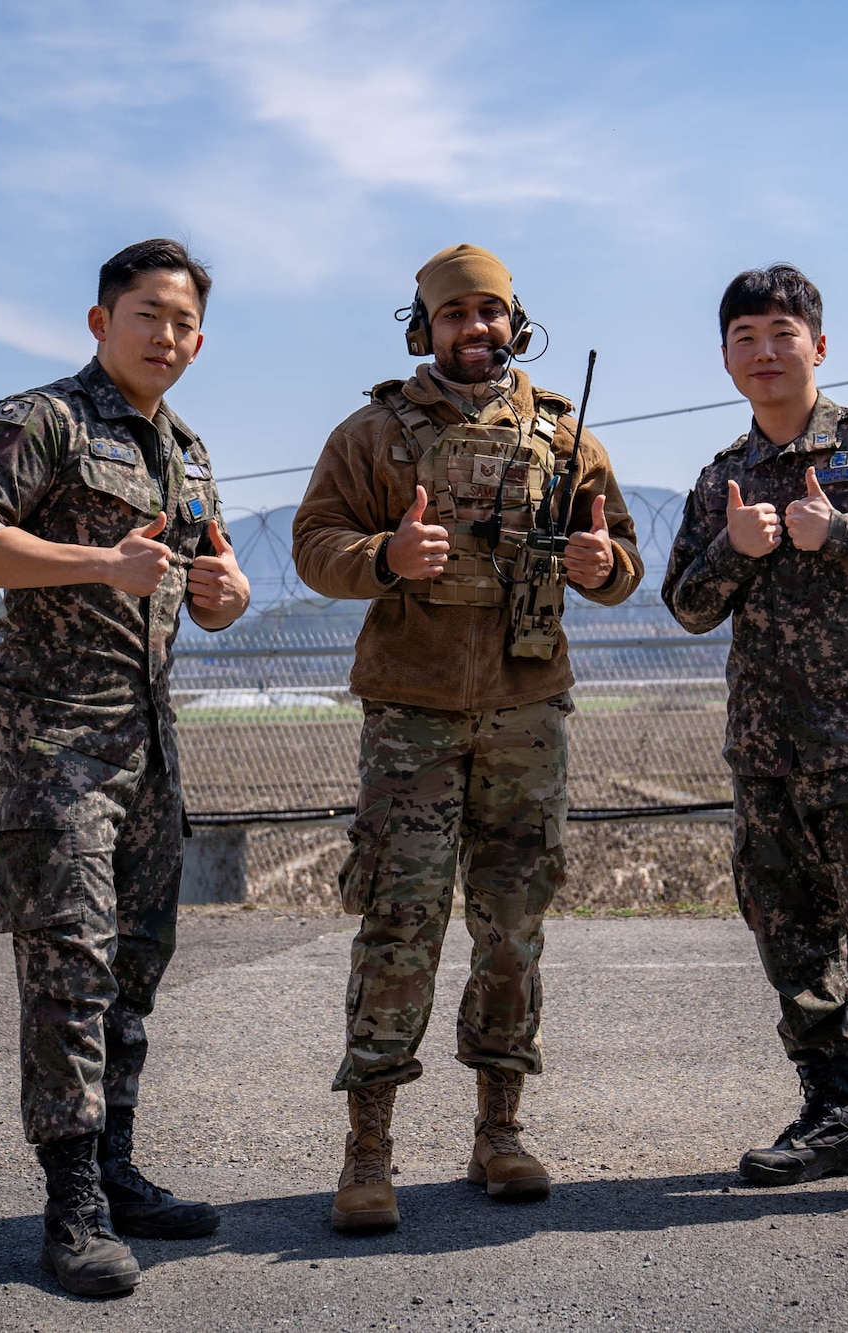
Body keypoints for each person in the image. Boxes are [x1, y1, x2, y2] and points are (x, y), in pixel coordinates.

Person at [292, 243, 643, 1232]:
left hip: (527, 712)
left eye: (489, 312)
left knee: (511, 925)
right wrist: (385, 555)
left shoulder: (565, 438)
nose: (473, 329)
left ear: (514, 322)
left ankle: (499, 1132)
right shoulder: (370, 435)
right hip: (409, 712)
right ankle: (367, 1150)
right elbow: (314, 542)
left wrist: (595, 561)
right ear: (423, 328)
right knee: (397, 921)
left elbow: (622, 562)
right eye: (454, 315)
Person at [0, 239, 250, 1294]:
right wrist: (99, 564)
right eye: (146, 314)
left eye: (182, 322)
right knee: (69, 966)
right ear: (99, 320)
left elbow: (201, 572)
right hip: (51, 741)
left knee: (134, 966)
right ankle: (70, 1208)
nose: (165, 335)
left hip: (146, 743)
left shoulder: (186, 450)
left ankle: (115, 1172)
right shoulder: (45, 421)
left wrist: (220, 593)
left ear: (199, 340)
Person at [659, 264, 848, 1216]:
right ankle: (833, 1116)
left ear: (818, 346)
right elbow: (685, 605)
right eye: (744, 336)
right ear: (725, 357)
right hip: (764, 753)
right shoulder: (721, 478)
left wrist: (842, 532)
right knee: (792, 943)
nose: (764, 350)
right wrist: (732, 550)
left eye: (781, 333)